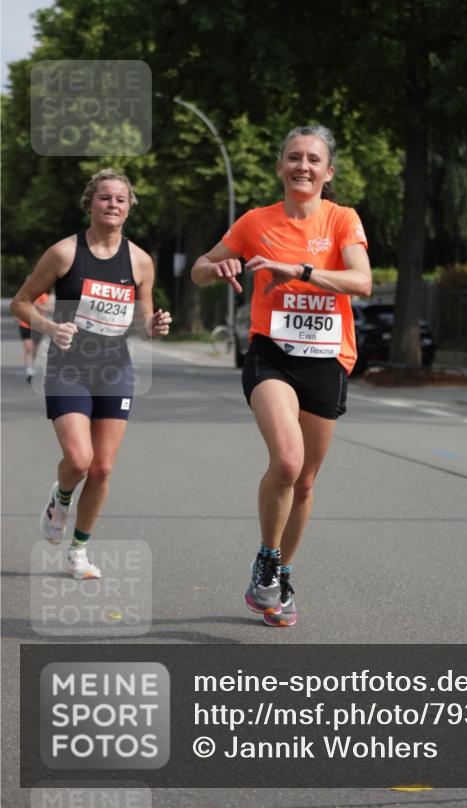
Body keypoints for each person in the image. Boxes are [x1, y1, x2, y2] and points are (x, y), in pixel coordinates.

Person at [192, 125, 372, 627]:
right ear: (280, 166)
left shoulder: (342, 220)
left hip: (328, 358)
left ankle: (281, 576)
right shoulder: (255, 221)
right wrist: (216, 270)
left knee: (307, 482)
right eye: (294, 157)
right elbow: (201, 267)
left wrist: (302, 271)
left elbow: (362, 281)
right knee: (288, 463)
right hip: (271, 353)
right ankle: (267, 560)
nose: (303, 166)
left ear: (327, 172)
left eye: (314, 160)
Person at [10, 169, 171, 580]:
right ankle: (60, 498)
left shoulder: (140, 261)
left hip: (115, 369)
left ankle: (79, 549)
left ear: (129, 206)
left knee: (102, 468)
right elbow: (21, 302)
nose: (112, 205)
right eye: (105, 198)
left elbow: (141, 322)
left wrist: (153, 327)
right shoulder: (64, 253)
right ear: (90, 203)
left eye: (120, 199)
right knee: (79, 460)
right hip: (68, 368)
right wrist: (50, 327)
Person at [17, 292, 49, 383]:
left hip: (37, 326)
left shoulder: (43, 296)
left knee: (34, 349)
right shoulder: (24, 295)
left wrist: (39, 306)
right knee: (28, 348)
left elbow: (48, 309)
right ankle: (29, 370)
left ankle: (32, 364)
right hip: (25, 325)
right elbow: (17, 307)